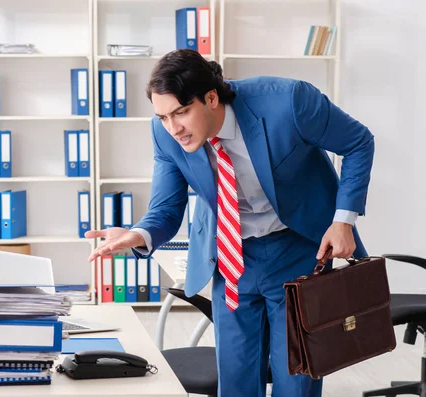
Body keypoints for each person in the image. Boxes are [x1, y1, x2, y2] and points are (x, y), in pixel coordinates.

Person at [85, 49, 374, 397]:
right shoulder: (164, 134)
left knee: (296, 380)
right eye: (163, 117)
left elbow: (358, 142)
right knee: (235, 381)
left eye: (181, 113)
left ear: (211, 98)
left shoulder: (289, 102)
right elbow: (166, 207)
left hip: (298, 251)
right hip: (233, 258)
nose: (173, 128)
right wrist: (136, 234)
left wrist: (343, 220)